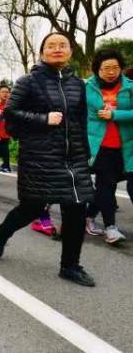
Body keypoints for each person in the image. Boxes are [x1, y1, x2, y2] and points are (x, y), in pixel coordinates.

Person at [0, 32, 96, 287]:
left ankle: (70, 266)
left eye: (62, 45)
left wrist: (85, 151)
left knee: (76, 208)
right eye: (51, 46)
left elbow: (81, 120)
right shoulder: (28, 82)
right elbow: (10, 114)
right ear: (42, 52)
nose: (57, 49)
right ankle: (2, 233)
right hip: (40, 157)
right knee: (33, 208)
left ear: (70, 51)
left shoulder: (77, 84)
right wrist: (43, 119)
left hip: (73, 158)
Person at [85, 48, 131, 244]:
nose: (111, 72)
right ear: (98, 69)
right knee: (106, 185)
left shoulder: (129, 87)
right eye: (106, 68)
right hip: (99, 146)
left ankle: (88, 217)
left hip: (126, 147)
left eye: (115, 67)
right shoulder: (86, 87)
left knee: (109, 185)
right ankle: (111, 228)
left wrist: (115, 115)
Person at [0, 84, 12, 172]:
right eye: (3, 92)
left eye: (7, 92)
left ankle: (6, 166)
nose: (5, 94)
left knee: (1, 150)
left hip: (6, 132)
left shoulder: (9, 106)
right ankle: (5, 166)